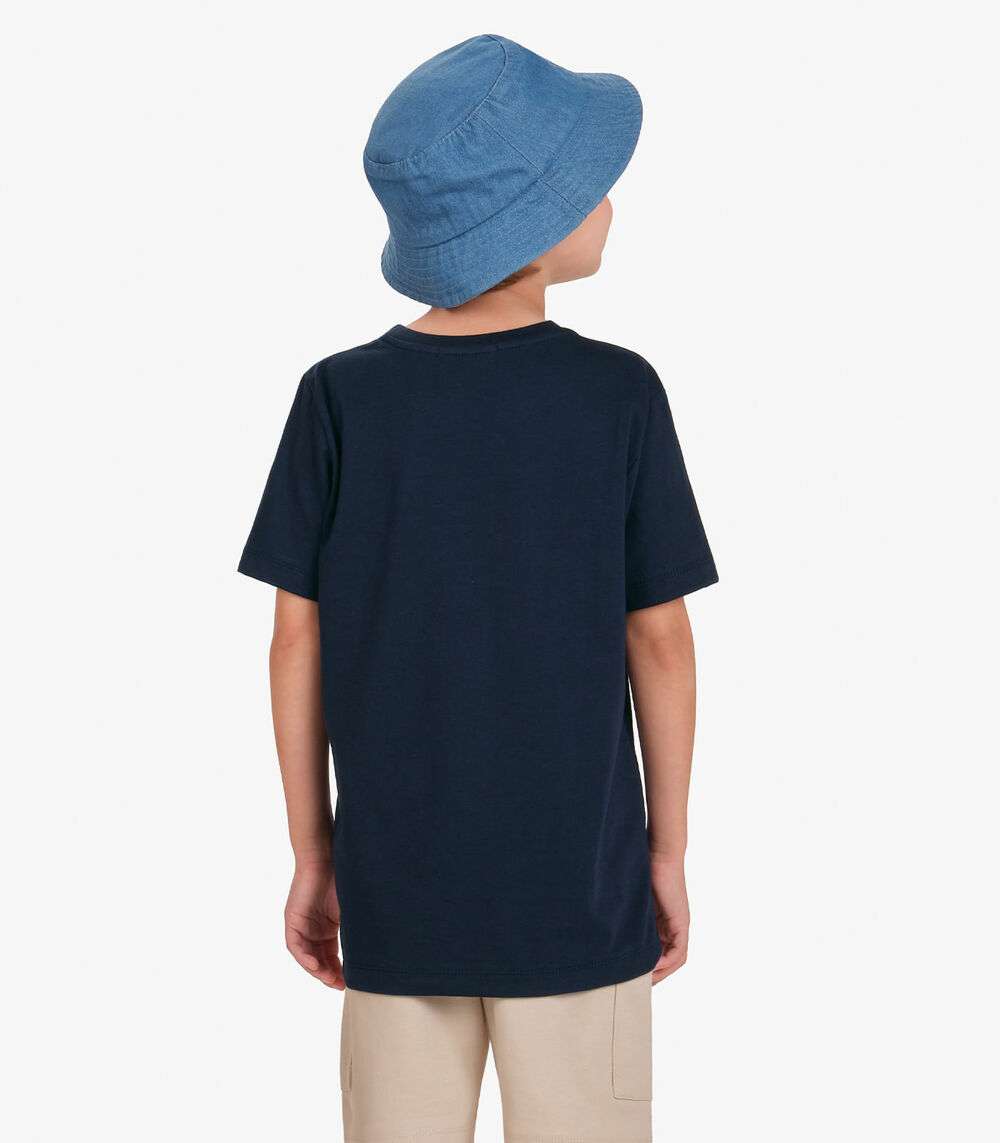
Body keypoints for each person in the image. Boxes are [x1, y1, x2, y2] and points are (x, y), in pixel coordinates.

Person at [239, 34, 717, 1143]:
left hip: (395, 893)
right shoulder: (618, 396)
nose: (609, 200)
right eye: (589, 182)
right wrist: (666, 852)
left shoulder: (338, 399)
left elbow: (295, 641)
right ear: (536, 220)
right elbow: (660, 642)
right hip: (581, 892)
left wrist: (315, 854)